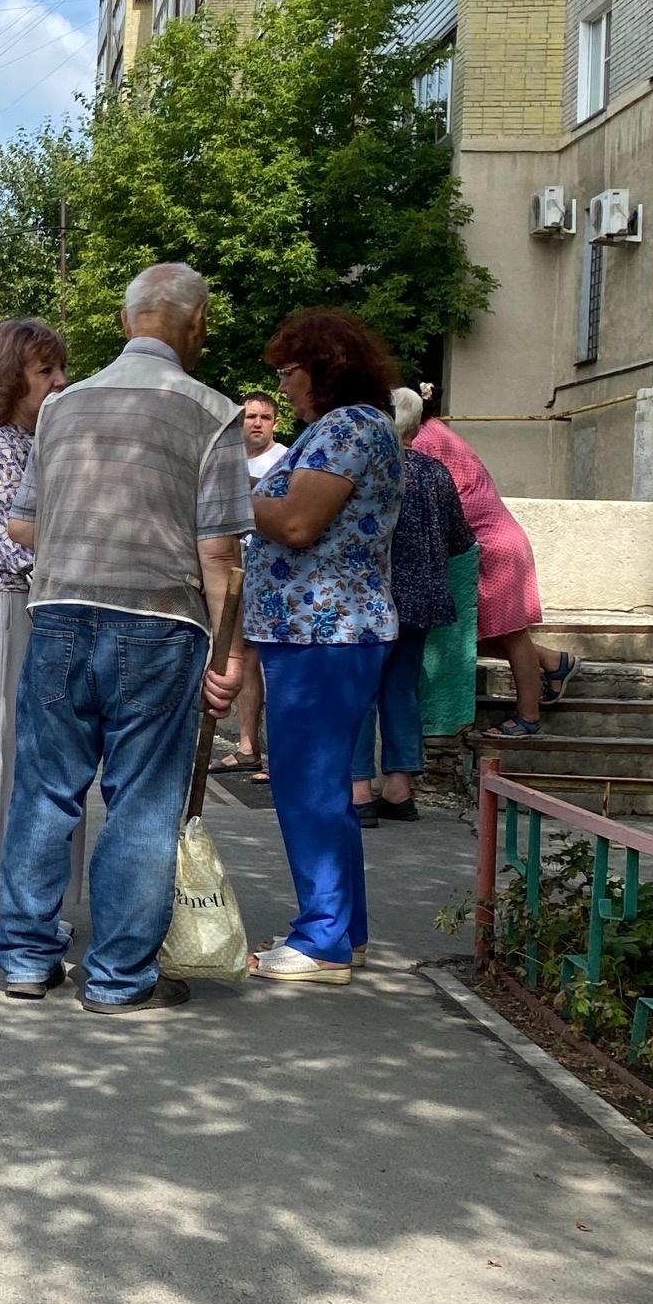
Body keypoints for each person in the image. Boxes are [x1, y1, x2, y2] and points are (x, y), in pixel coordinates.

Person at [0, 263, 248, 1013]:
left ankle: (27, 961)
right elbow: (220, 554)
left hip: (60, 616)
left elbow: (27, 525)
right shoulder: (213, 413)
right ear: (195, 324)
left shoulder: (62, 410)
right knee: (141, 801)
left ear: (125, 320)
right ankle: (115, 978)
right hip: (160, 624)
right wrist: (229, 656)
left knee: (44, 788)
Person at [245, 310, 405, 984]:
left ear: (323, 367)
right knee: (322, 787)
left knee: (307, 785)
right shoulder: (355, 428)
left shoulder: (346, 428)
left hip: (322, 631)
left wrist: (223, 495)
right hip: (325, 630)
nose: (282, 388)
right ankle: (343, 930)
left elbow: (298, 522)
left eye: (288, 372)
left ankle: (323, 941)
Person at [0, 317, 70, 944]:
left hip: (34, 606)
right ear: (9, 379)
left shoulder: (36, 441)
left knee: (39, 758)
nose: (58, 381)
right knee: (0, 757)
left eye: (59, 369)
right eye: (43, 372)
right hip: (5, 604)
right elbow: (11, 539)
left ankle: (33, 899)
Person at [409, 399, 575, 735]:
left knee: (512, 635)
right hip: (495, 538)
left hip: (491, 544)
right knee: (469, 633)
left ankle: (529, 716)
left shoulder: (422, 441)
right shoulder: (437, 430)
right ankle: (552, 661)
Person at [350, 388, 475, 824]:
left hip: (372, 595)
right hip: (421, 598)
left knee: (360, 691)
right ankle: (400, 790)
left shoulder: (370, 467)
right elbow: (462, 539)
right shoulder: (436, 472)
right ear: (418, 426)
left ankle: (359, 790)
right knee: (402, 689)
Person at [214, 390, 290, 782]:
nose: (257, 423)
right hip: (233, 569)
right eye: (250, 417)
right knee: (241, 658)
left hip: (274, 576)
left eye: (265, 417)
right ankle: (247, 747)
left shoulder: (285, 460)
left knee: (272, 663)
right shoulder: (226, 461)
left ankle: (278, 756)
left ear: (275, 422)